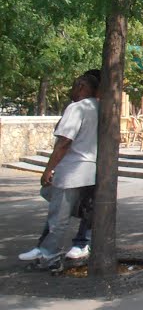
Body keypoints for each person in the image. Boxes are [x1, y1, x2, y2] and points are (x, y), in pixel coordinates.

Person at [19, 71, 100, 265]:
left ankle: (49, 252)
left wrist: (48, 169)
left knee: (59, 216)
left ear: (81, 86)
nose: (70, 91)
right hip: (91, 169)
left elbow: (64, 141)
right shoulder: (100, 107)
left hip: (72, 170)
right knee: (78, 210)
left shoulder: (77, 108)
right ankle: (70, 245)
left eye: (73, 86)